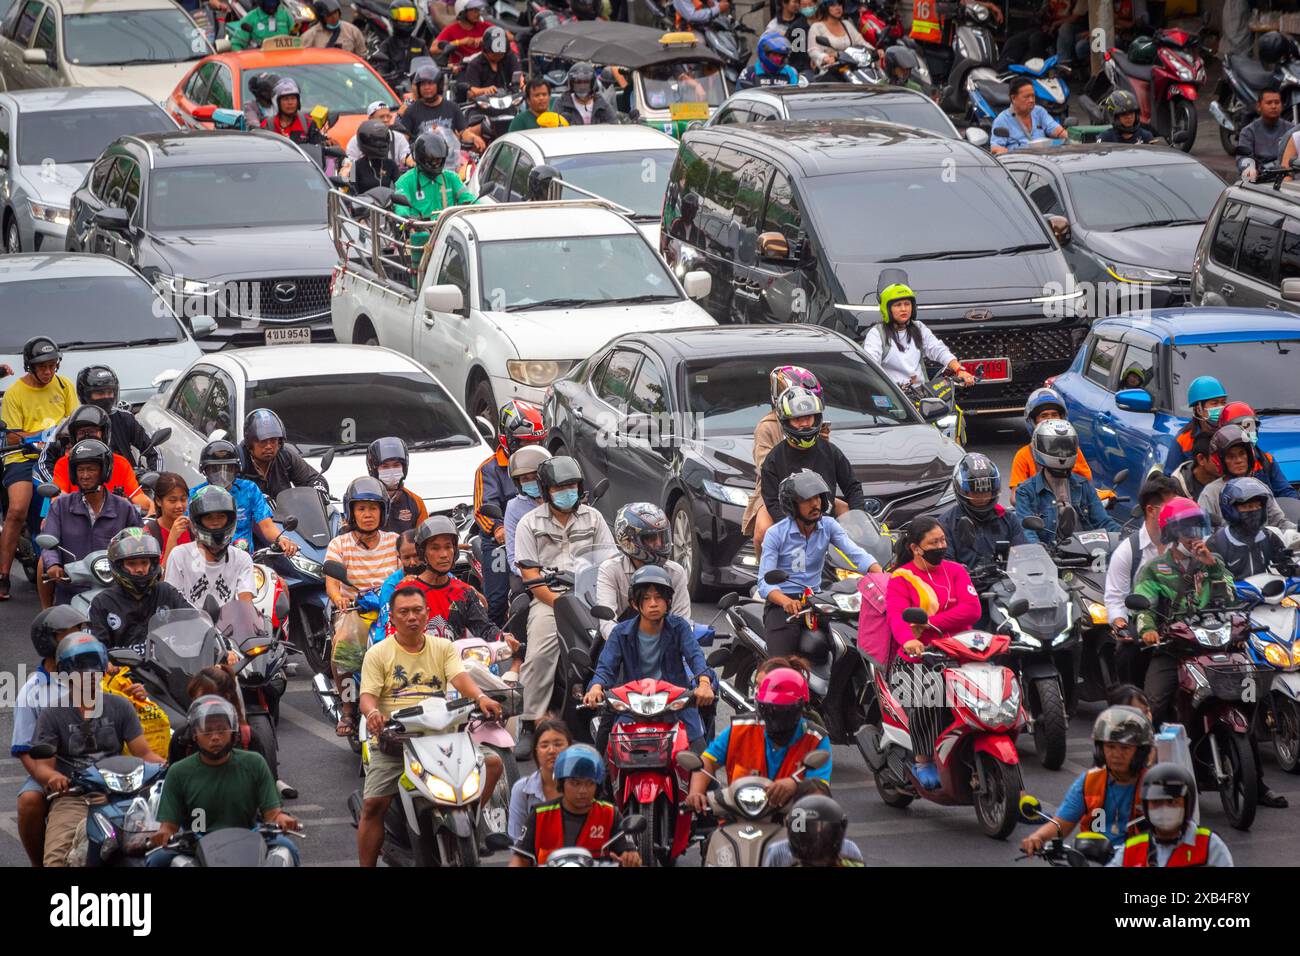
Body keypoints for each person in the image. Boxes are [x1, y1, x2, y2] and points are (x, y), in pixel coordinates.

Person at [357, 585, 502, 865]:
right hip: (397, 740)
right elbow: (366, 698)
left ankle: (473, 821)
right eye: (404, 612)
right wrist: (373, 713)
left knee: (493, 763)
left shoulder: (444, 647)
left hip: (442, 734)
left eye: (417, 611)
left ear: (427, 615)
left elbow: (460, 679)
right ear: (393, 618)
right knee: (373, 806)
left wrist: (481, 698)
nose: (412, 617)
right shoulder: (378, 653)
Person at [513, 456, 615, 758]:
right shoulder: (529, 523)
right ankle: (530, 724)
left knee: (617, 641)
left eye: (571, 485)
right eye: (559, 487)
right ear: (546, 490)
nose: (566, 491)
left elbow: (609, 561)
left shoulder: (594, 518)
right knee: (539, 656)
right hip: (550, 599)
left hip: (592, 595)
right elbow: (529, 574)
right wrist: (558, 603)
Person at [31, 634, 163, 867]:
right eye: (82, 668)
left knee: (156, 849)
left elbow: (143, 753)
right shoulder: (52, 713)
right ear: (66, 674)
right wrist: (54, 778)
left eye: (95, 667)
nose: (91, 674)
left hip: (122, 794)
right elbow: (43, 766)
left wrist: (166, 767)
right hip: (74, 797)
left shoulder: (120, 705)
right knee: (56, 861)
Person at [884, 516, 981, 789]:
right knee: (931, 693)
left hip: (961, 652)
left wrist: (929, 624)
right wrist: (910, 641)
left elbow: (972, 610)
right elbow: (898, 619)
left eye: (943, 540)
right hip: (918, 657)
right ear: (916, 548)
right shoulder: (901, 579)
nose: (942, 546)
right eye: (934, 542)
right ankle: (923, 758)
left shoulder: (956, 571)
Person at [149, 696, 301, 867]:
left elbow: (272, 814)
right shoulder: (178, 772)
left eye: (222, 730)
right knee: (156, 860)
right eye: (207, 731)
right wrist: (162, 834)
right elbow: (169, 826)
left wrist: (282, 819)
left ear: (233, 732)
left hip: (251, 837)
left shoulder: (254, 763)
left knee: (288, 851)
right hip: (194, 843)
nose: (215, 737)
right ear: (195, 735)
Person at [584, 564, 714, 750]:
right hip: (632, 706)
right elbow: (606, 666)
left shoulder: (679, 627)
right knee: (604, 756)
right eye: (646, 598)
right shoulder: (620, 633)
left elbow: (695, 656)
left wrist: (704, 683)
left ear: (668, 601)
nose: (654, 603)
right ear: (635, 604)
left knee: (703, 763)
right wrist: (596, 687)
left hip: (675, 705)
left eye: (659, 597)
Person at [759, 470, 880, 658]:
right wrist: (786, 602)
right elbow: (765, 583)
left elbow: (856, 554)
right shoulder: (776, 534)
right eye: (807, 499)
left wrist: (881, 575)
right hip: (783, 604)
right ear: (792, 505)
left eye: (817, 498)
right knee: (781, 664)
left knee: (850, 640)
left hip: (816, 600)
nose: (815, 504)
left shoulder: (829, 525)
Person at [685, 667, 832, 813]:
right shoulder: (740, 729)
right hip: (740, 820)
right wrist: (695, 792)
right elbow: (707, 761)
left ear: (800, 708)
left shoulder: (816, 739)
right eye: (768, 710)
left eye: (782, 712)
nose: (775, 718)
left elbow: (820, 791)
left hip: (792, 824)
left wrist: (796, 785)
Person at [1, 336, 77, 600]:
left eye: (52, 365)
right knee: (17, 509)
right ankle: (3, 575)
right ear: (29, 366)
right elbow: (12, 436)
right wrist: (40, 436)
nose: (48, 371)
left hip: (58, 457)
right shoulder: (15, 393)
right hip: (23, 458)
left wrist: (59, 440)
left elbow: (74, 422)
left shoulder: (64, 385)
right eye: (42, 366)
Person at [1020, 706, 1152, 855]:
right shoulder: (1089, 781)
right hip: (1094, 860)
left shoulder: (1154, 783)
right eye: (1111, 746)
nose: (1116, 754)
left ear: (1140, 752)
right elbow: (1061, 824)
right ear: (1100, 750)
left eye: (1125, 748)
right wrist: (1038, 837)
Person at [12, 606, 88, 866]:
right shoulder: (31, 691)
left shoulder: (95, 675)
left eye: (79, 632)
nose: (76, 639)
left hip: (99, 763)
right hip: (54, 767)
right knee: (29, 801)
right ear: (47, 640)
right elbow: (24, 749)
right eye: (66, 634)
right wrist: (50, 779)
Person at [326, 477, 400, 737]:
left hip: (393, 610)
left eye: (373, 508)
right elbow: (332, 583)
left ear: (383, 511)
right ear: (351, 512)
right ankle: (347, 706)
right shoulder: (339, 544)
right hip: (357, 611)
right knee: (344, 646)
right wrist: (339, 599)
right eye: (361, 509)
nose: (368, 514)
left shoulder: (395, 541)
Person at [39, 440, 143, 607]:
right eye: (81, 470)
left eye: (91, 469)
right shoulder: (60, 505)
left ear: (104, 471)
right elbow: (49, 542)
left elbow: (139, 542)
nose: (85, 475)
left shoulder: (124, 508)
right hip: (70, 590)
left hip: (115, 592)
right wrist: (54, 564)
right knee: (59, 627)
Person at [1104, 474, 1180, 687]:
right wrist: (1120, 625)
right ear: (1151, 510)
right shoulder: (1127, 551)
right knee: (1127, 652)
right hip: (1141, 620)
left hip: (1181, 620)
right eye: (1170, 508)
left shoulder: (1184, 544)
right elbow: (1115, 599)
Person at [510, 743, 639, 866]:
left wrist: (630, 859)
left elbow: (629, 853)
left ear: (597, 786)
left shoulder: (610, 814)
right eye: (575, 783)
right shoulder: (539, 815)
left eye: (589, 783)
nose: (583, 790)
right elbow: (520, 859)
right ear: (562, 783)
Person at [744, 366, 826, 555]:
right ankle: (765, 574)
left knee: (845, 512)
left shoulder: (813, 421)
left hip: (815, 486)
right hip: (775, 489)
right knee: (763, 533)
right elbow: (765, 467)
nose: (804, 420)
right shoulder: (767, 427)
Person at [477, 401, 545, 624]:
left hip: (541, 534)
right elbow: (482, 510)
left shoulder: (546, 463)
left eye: (535, 442)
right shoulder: (488, 469)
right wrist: (498, 528)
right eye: (525, 443)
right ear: (508, 438)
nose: (530, 448)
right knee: (496, 601)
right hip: (502, 542)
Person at [759, 388, 867, 524]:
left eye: (808, 418)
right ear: (786, 422)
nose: (804, 424)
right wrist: (791, 529)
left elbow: (852, 487)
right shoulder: (773, 460)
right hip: (791, 525)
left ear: (816, 418)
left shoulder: (831, 452)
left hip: (827, 522)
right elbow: (772, 501)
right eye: (797, 419)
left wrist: (860, 520)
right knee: (762, 531)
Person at [1014, 420, 1120, 544]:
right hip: (1050, 559)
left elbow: (1103, 521)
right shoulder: (1025, 491)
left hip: (1087, 555)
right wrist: (1040, 550)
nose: (1062, 453)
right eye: (1055, 448)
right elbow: (1028, 533)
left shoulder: (1083, 485)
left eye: (1066, 447)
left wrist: (1123, 536)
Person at [596, 503, 691, 638]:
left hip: (665, 646)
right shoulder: (610, 570)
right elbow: (607, 624)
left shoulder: (676, 572)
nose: (659, 543)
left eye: (661, 536)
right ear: (629, 540)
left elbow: (683, 623)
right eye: (651, 538)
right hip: (623, 646)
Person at [1110, 763, 1233, 867]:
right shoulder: (1131, 851)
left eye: (1172, 802)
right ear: (1146, 807)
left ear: (1187, 804)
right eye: (1156, 802)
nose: (1164, 809)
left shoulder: (1209, 846)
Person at [88, 529, 190, 652]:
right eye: (132, 563)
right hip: (124, 670)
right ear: (118, 566)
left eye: (144, 562)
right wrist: (108, 663)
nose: (140, 569)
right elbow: (96, 649)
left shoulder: (167, 592)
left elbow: (193, 622)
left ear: (152, 564)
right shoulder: (102, 603)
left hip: (168, 668)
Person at [192, 438, 299, 555]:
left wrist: (281, 539)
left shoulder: (249, 489)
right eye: (214, 469)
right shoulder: (195, 495)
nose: (222, 475)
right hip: (206, 560)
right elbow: (188, 531)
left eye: (228, 469)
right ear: (205, 471)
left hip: (244, 561)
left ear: (236, 469)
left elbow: (267, 526)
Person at [862, 282, 974, 392]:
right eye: (898, 305)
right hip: (894, 395)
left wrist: (959, 370)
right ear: (887, 309)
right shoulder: (877, 333)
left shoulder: (919, 327)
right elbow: (870, 363)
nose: (903, 309)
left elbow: (937, 349)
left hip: (920, 392)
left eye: (907, 304)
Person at [163, 486, 255, 608]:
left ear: (230, 519)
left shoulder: (241, 558)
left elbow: (246, 602)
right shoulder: (179, 555)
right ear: (197, 521)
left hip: (227, 625)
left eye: (221, 516)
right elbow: (172, 602)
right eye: (209, 517)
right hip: (189, 624)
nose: (215, 522)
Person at [44, 405, 151, 510]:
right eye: (81, 433)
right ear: (74, 437)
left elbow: (137, 496)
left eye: (92, 431)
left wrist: (152, 506)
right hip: (77, 522)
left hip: (117, 522)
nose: (87, 436)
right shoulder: (63, 464)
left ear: (104, 434)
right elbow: (58, 498)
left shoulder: (120, 462)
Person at [1199, 425, 1297, 531]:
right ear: (1220, 461)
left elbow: (1279, 522)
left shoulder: (1259, 486)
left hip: (1263, 546)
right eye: (1231, 456)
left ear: (1250, 455)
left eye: (1242, 454)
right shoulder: (1210, 493)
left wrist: (1296, 531)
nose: (1239, 460)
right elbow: (1205, 531)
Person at [937, 453, 1026, 568]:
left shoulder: (1009, 519)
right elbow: (946, 565)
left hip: (1005, 581)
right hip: (966, 583)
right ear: (962, 490)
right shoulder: (946, 523)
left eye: (986, 491)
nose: (982, 497)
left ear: (993, 490)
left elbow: (1023, 553)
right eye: (975, 492)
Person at [394, 130, 479, 243]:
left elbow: (468, 199)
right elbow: (401, 209)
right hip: (419, 237)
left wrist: (480, 207)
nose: (435, 163)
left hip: (449, 236)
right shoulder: (405, 182)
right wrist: (406, 218)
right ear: (420, 158)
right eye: (431, 160)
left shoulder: (451, 178)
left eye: (439, 160)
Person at [73, 366, 158, 472]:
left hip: (128, 483)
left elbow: (154, 452)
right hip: (86, 485)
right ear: (85, 395)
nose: (107, 397)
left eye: (110, 392)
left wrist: (154, 478)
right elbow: (48, 460)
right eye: (100, 393)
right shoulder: (72, 423)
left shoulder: (125, 418)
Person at [1008, 387, 1095, 489]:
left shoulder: (1073, 451)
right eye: (1044, 416)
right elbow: (1015, 495)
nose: (1050, 419)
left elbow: (1087, 486)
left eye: (1054, 415)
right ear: (1034, 422)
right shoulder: (1023, 455)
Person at [1211, 477, 1297, 579]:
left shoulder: (1268, 536)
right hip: (1231, 594)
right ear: (1230, 509)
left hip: (1265, 592)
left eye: (1258, 506)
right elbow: (1208, 581)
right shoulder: (1217, 542)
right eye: (1248, 506)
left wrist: (1289, 565)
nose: (1255, 511)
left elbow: (1290, 572)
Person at [1214, 402, 1299, 502]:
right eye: (1239, 427)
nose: (1246, 432)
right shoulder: (1215, 464)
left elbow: (1285, 491)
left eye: (1250, 427)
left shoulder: (1266, 460)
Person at [239, 408, 329, 500]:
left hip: (285, 513)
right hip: (249, 514)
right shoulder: (237, 461)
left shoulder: (285, 455)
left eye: (273, 440)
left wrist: (318, 490)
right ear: (250, 442)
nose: (269, 446)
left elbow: (313, 478)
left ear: (280, 442)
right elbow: (226, 494)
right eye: (263, 441)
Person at [398, 61, 486, 152]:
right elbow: (403, 140)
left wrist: (474, 138)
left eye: (430, 83)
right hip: (423, 160)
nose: (426, 87)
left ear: (439, 85)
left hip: (450, 158)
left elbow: (463, 132)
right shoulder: (411, 111)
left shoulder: (452, 107)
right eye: (423, 84)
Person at [507, 719, 571, 840]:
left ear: (570, 747)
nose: (551, 751)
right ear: (536, 751)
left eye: (558, 744)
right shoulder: (522, 790)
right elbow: (517, 842)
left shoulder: (584, 786)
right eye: (544, 745)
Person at [763, 794, 864, 866]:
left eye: (822, 828)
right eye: (809, 828)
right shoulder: (851, 857)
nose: (816, 839)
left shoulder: (778, 851)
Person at [504, 445, 550, 583]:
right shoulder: (514, 508)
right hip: (536, 576)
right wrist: (536, 575)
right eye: (525, 479)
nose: (531, 482)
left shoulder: (560, 501)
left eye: (535, 477)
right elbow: (513, 559)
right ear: (518, 483)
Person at [990, 76, 1067, 154]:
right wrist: (1008, 154)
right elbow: (995, 147)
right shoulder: (1002, 120)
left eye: (1033, 96)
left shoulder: (1039, 112)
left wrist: (1070, 137)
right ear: (1013, 98)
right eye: (1026, 97)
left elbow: (1055, 128)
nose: (1031, 100)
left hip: (1045, 159)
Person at [366, 437, 427, 534]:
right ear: (374, 469)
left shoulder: (416, 502)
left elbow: (424, 540)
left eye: (396, 465)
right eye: (385, 466)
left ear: (404, 467)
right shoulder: (362, 501)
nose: (391, 470)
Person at [1166, 375, 1227, 471]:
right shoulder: (1183, 440)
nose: (1221, 408)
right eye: (1215, 403)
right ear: (1199, 409)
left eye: (1223, 402)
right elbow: (1170, 477)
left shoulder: (1231, 432)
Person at [1236, 85, 1293, 180]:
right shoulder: (1248, 132)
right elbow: (1243, 158)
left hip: (1287, 178)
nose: (1274, 106)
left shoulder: (1291, 130)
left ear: (1282, 105)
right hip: (1260, 179)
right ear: (1258, 106)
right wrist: (1250, 169)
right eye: (1269, 103)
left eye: (1277, 102)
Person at [370, 0, 432, 86]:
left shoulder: (420, 44)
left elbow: (429, 67)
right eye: (403, 16)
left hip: (417, 89)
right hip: (395, 89)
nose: (406, 20)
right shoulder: (387, 45)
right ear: (393, 17)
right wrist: (384, 74)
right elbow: (381, 70)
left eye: (410, 15)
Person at [460, 25, 523, 100]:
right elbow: (471, 92)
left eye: (501, 54)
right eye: (494, 54)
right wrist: (485, 90)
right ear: (485, 50)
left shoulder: (509, 57)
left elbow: (518, 75)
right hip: (484, 104)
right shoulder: (475, 65)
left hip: (509, 100)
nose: (498, 57)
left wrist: (522, 84)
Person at [344, 102, 411, 170]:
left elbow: (406, 156)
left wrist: (409, 161)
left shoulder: (399, 138)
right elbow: (349, 166)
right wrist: (348, 175)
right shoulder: (355, 140)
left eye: (388, 116)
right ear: (370, 119)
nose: (386, 120)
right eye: (381, 117)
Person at [143, 473, 191, 567]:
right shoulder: (149, 533)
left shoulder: (193, 528)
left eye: (183, 499)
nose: (179, 506)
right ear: (158, 501)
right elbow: (157, 578)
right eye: (172, 501)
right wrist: (172, 538)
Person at [261, 78, 327, 146]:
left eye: (293, 98)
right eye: (285, 99)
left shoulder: (308, 123)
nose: (290, 103)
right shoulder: (267, 125)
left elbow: (318, 149)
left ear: (298, 101)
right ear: (277, 102)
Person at [347, 120, 404, 193]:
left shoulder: (391, 165)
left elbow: (401, 188)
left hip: (387, 203)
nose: (380, 144)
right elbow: (351, 194)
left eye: (383, 141)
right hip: (362, 204)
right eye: (376, 141)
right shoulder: (355, 167)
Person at [808, 0, 866, 70]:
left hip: (853, 68)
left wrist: (874, 51)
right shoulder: (816, 27)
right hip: (831, 71)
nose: (838, 8)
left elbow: (861, 42)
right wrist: (825, 58)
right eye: (832, 4)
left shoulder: (847, 24)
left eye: (840, 3)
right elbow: (813, 51)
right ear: (825, 7)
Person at [434, 0, 490, 69]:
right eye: (474, 11)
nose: (478, 14)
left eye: (478, 10)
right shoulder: (451, 29)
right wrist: (460, 42)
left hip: (483, 68)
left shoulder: (484, 26)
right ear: (462, 13)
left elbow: (505, 34)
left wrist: (485, 38)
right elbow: (433, 49)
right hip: (461, 69)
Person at [764, 0, 812, 74]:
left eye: (798, 2)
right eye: (794, 2)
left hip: (804, 67)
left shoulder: (803, 21)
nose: (797, 5)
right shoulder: (773, 25)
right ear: (784, 3)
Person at [301, 0, 367, 53]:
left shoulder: (352, 31)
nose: (334, 17)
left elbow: (362, 55)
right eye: (329, 15)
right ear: (322, 18)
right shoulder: (311, 35)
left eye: (335, 12)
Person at [1170, 432, 1219, 501]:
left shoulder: (1228, 478)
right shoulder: (1177, 487)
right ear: (1201, 459)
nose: (1224, 461)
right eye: (1217, 457)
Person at [229, 0, 295, 50]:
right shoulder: (250, 19)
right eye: (268, 1)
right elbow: (236, 44)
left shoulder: (285, 15)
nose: (271, 4)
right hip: (260, 62)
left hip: (284, 60)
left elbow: (296, 36)